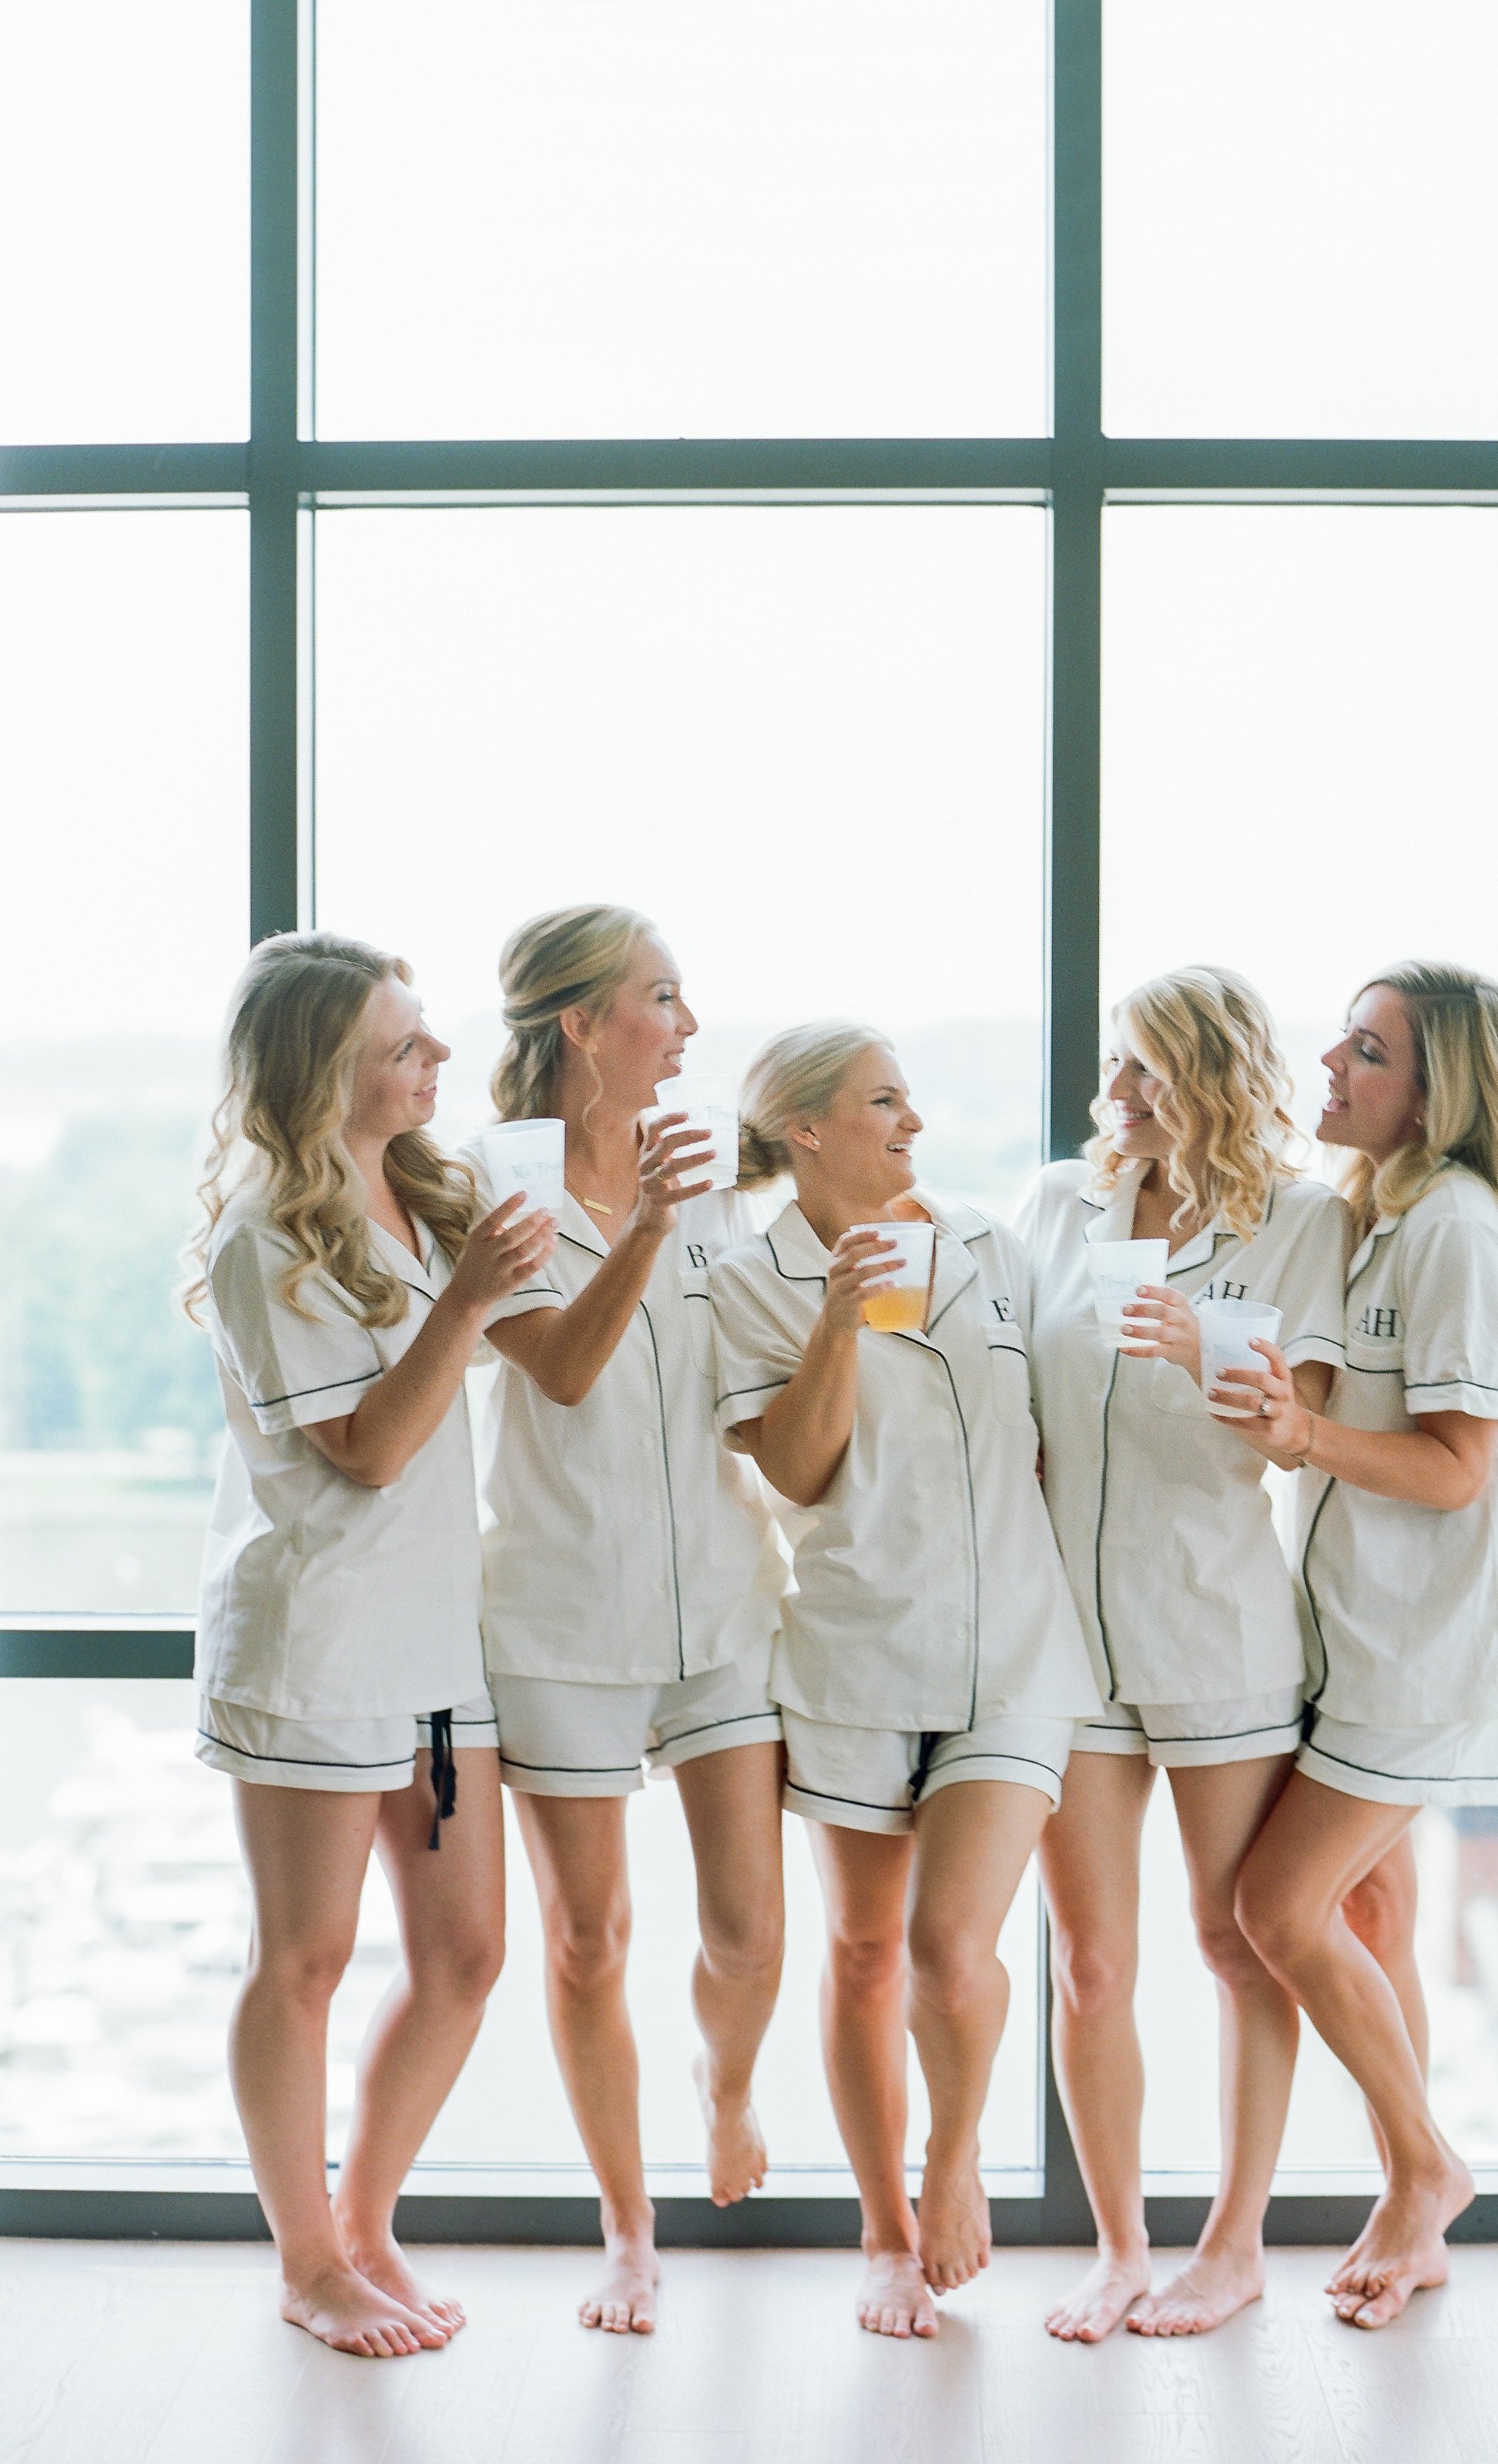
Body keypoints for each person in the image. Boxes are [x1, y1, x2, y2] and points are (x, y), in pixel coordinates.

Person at [185, 931, 560, 2358]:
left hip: (434, 1659)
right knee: (307, 1961)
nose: (438, 1061)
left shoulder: (420, 1190)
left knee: (464, 1954)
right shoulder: (264, 1237)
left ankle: (366, 2222)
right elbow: (372, 1453)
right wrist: (465, 1298)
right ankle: (307, 2262)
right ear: (325, 1069)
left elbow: (564, 1359)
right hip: (315, 1652)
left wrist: (633, 1223)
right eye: (407, 1044)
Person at [709, 1025, 1100, 2340]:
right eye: (884, 1101)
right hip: (858, 1651)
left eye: (912, 1100)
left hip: (1016, 1651)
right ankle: (882, 2238)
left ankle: (955, 2158)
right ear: (804, 1130)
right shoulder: (751, 1278)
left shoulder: (987, 1244)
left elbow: (1054, 1432)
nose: (913, 1123)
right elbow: (801, 1471)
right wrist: (832, 1314)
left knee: (950, 1945)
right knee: (867, 1951)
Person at [1227, 960, 1498, 2329]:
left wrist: (1300, 1438)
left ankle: (1430, 2167)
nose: (1332, 1063)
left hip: (1426, 1656)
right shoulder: (1383, 1218)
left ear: (1442, 1095)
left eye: (1367, 1051)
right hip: (1365, 1639)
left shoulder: (1460, 1235)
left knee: (1276, 1910)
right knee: (1374, 1914)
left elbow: (1456, 1470)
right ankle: (1407, 2206)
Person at [1017, 964, 1349, 2342]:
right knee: (1090, 1961)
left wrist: (1199, 1344)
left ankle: (1235, 2244)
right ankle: (1116, 2248)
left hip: (1216, 1619)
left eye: (1148, 1068)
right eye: (1116, 1064)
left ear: (1213, 1076)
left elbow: (1298, 1424)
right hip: (1067, 1642)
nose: (1120, 1092)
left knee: (1235, 1947)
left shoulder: (1304, 1222)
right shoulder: (1058, 1205)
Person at [474, 904, 791, 2336]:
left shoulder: (714, 1181)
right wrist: (650, 1228)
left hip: (724, 1606)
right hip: (555, 1619)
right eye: (665, 997)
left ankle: (723, 2088)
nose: (690, 1024)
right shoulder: (486, 1185)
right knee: (590, 1939)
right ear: (582, 1024)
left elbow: (757, 1375)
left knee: (746, 1931)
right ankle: (628, 2228)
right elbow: (562, 1371)